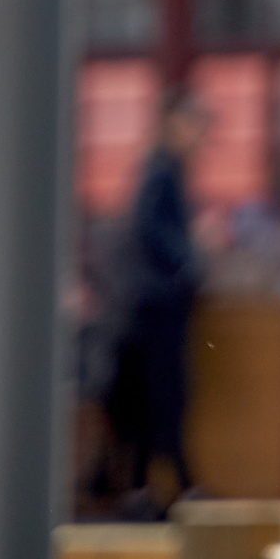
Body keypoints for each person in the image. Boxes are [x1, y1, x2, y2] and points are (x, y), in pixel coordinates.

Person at [106, 95, 205, 516]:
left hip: (151, 304)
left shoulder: (163, 169)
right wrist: (188, 259)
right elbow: (150, 227)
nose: (198, 136)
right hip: (158, 306)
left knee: (160, 398)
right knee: (165, 395)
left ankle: (154, 489)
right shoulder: (161, 171)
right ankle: (174, 488)